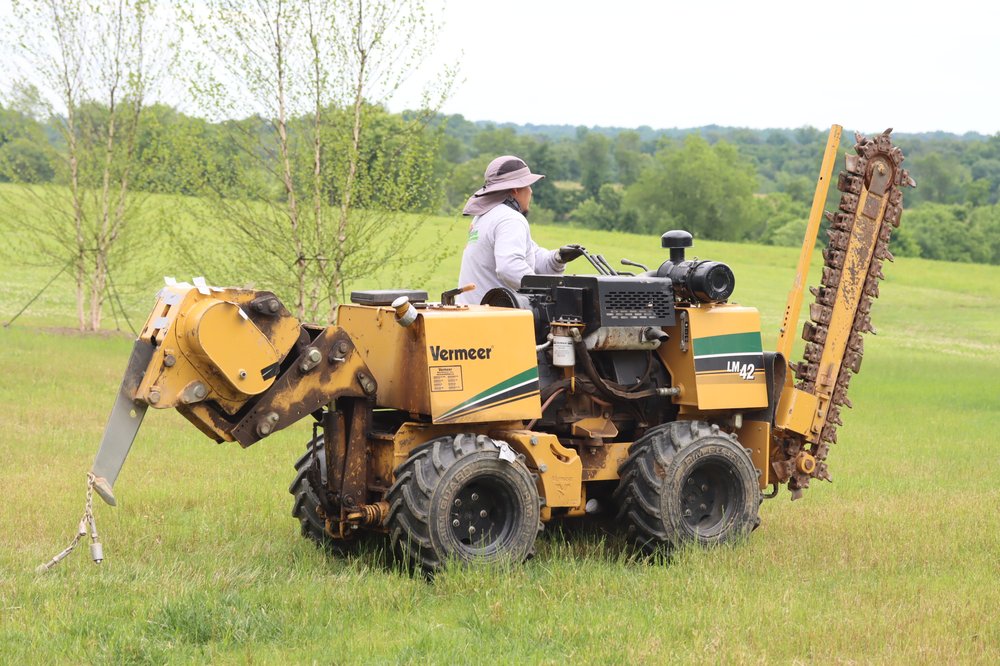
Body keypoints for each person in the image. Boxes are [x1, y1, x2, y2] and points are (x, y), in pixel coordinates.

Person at [455, 155, 584, 305]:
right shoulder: (510, 219)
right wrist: (548, 292)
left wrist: (558, 257)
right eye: (528, 185)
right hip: (494, 320)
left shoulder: (485, 217)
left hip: (473, 314)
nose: (531, 191)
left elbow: (531, 254)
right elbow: (509, 266)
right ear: (515, 189)